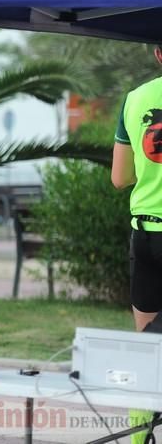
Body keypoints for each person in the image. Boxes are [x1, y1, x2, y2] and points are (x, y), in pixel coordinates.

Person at [111, 45, 162, 333]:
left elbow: (119, 178)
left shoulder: (134, 99)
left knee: (148, 344)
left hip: (145, 233)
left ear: (158, 54)